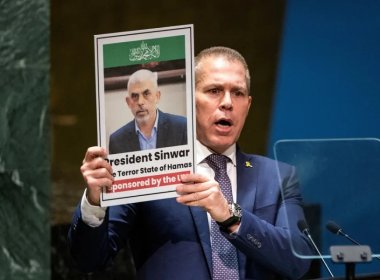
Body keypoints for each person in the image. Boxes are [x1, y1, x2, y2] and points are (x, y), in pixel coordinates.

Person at [69, 46, 313, 279]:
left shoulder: (278, 176)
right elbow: (89, 260)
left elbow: (297, 262)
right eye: (214, 90)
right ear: (190, 99)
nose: (227, 102)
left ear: (247, 106)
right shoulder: (146, 167)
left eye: (237, 93)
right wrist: (94, 201)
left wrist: (230, 215)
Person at [108, 69, 187, 154]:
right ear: (128, 102)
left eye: (146, 94)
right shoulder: (116, 140)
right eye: (135, 96)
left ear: (157, 96)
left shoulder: (182, 127)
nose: (140, 102)